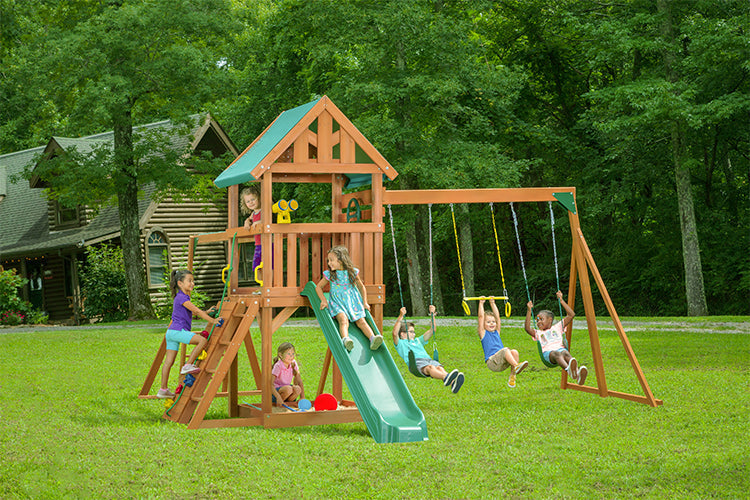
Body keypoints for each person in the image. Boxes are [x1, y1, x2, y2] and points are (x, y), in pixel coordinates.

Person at [157, 269, 221, 399]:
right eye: (189, 281)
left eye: (193, 281)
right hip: (177, 331)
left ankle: (163, 389)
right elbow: (196, 311)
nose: (192, 283)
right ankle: (188, 365)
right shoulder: (182, 297)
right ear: (180, 283)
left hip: (171, 333)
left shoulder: (182, 297)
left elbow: (191, 313)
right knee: (202, 341)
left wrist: (207, 312)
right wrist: (213, 321)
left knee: (169, 361)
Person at [315, 245, 384, 352]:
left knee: (361, 321)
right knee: (343, 320)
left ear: (341, 260)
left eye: (331, 260)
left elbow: (361, 287)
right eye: (328, 260)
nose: (329, 263)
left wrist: (365, 302)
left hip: (352, 302)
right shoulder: (330, 274)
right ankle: (346, 339)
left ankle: (372, 338)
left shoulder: (352, 272)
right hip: (338, 304)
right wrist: (324, 300)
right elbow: (318, 287)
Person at [392, 305, 465, 394]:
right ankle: (446, 377)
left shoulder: (418, 340)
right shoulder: (400, 344)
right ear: (402, 334)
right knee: (430, 368)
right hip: (416, 362)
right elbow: (394, 333)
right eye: (411, 332)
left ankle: (453, 383)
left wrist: (432, 315)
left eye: (414, 332)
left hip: (428, 360)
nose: (414, 334)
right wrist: (401, 316)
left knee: (439, 367)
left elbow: (432, 330)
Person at [524, 290, 587, 384]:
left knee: (565, 353)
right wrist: (529, 310)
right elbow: (527, 328)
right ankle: (569, 370)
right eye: (537, 320)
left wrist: (561, 300)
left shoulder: (557, 327)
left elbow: (571, 315)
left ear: (550, 320)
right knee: (557, 354)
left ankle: (577, 375)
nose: (538, 322)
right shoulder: (538, 333)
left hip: (561, 349)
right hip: (549, 354)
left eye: (541, 319)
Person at [478, 297, 529, 388]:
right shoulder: (483, 333)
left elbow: (498, 318)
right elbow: (481, 317)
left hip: (502, 362)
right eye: (488, 322)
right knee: (505, 350)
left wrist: (492, 303)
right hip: (492, 362)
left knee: (514, 352)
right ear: (483, 324)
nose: (492, 323)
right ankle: (516, 365)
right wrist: (481, 303)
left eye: (493, 322)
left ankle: (512, 377)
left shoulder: (497, 332)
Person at [271, 342, 305, 407]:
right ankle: (279, 403)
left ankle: (287, 404)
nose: (291, 356)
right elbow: (270, 384)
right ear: (280, 355)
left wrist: (302, 397)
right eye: (289, 354)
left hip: (288, 391)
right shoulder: (278, 366)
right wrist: (278, 398)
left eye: (293, 354)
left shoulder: (293, 363)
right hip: (276, 393)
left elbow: (299, 380)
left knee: (298, 389)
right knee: (288, 389)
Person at [240, 185, 263, 273]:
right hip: (258, 244)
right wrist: (247, 221)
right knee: (256, 265)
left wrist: (259, 222)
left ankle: (268, 284)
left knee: (267, 264)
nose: (251, 202)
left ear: (259, 198)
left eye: (253, 199)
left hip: (267, 243)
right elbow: (250, 219)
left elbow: (268, 219)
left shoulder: (264, 210)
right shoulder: (253, 214)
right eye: (248, 201)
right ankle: (261, 284)